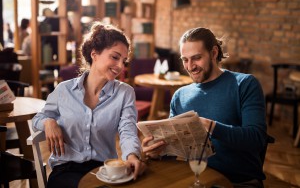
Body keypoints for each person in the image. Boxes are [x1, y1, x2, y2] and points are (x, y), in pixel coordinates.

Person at [142, 27, 267, 187]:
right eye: (185, 60)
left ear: (214, 53)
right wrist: (156, 152)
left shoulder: (244, 84)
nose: (190, 66)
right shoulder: (180, 96)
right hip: (195, 180)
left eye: (196, 58)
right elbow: (173, 152)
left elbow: (256, 139)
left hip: (239, 183)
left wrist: (210, 126)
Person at [32, 21, 146, 188]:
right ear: (94, 54)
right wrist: (48, 122)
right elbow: (38, 118)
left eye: (124, 61)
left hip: (104, 170)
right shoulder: (64, 90)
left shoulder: (125, 93)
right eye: (115, 57)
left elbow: (127, 130)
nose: (121, 66)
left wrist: (132, 156)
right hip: (66, 170)